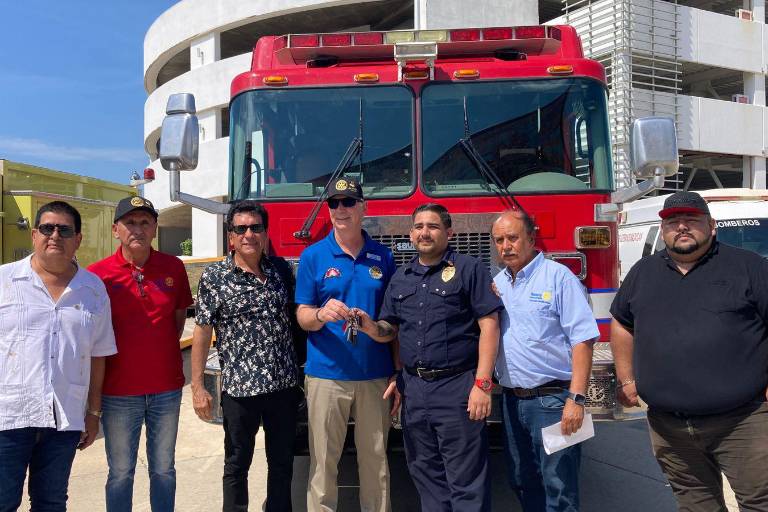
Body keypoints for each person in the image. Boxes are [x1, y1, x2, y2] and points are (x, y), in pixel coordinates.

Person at [610, 191, 768, 511]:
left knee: (759, 502)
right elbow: (621, 323)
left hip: (742, 422)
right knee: (696, 506)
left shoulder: (750, 267)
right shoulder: (643, 272)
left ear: (711, 226)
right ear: (663, 229)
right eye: (672, 222)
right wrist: (626, 379)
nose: (681, 227)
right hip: (670, 429)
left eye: (691, 220)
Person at [360, 203, 502, 512]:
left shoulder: (469, 269)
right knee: (426, 476)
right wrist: (370, 326)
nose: (425, 232)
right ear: (411, 234)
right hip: (415, 390)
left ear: (448, 233)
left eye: (433, 226)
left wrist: (482, 383)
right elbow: (390, 330)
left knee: (466, 480)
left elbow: (489, 325)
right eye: (419, 226)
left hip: (458, 387)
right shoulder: (401, 278)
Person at [0, 201, 117, 512]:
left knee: (51, 502)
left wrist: (93, 413)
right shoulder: (4, 281)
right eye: (47, 228)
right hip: (8, 415)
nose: (55, 235)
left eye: (64, 229)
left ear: (77, 239)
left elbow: (98, 354)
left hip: (63, 416)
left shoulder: (92, 289)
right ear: (34, 235)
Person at [295, 177, 398, 512]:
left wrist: (395, 369)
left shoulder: (383, 257)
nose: (341, 209)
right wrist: (322, 314)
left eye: (349, 202)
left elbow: (393, 324)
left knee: (375, 464)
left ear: (363, 208)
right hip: (326, 377)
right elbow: (302, 316)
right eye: (334, 203)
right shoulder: (313, 256)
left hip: (374, 378)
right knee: (323, 464)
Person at [191, 200, 301, 512]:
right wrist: (198, 387)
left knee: (282, 464)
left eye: (256, 227)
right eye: (241, 228)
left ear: (266, 234)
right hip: (240, 390)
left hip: (283, 387)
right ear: (231, 237)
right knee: (237, 465)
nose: (249, 234)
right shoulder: (215, 277)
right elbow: (201, 331)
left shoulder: (281, 271)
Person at [88, 196, 193, 512]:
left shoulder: (173, 267)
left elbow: (176, 323)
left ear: (155, 228)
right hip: (119, 393)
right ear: (115, 229)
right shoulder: (98, 276)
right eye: (130, 222)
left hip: (166, 389)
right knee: (120, 472)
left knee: (164, 469)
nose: (138, 229)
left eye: (145, 222)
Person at [491, 210, 599, 511]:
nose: (506, 246)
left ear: (531, 238)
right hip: (512, 402)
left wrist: (576, 399)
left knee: (560, 486)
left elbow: (583, 339)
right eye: (499, 240)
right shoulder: (499, 282)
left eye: (512, 238)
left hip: (553, 402)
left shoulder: (559, 277)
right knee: (522, 480)